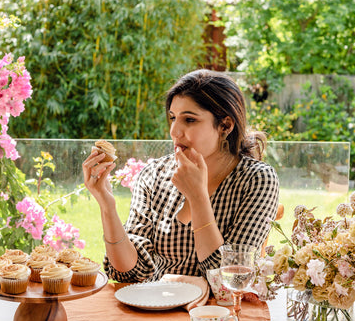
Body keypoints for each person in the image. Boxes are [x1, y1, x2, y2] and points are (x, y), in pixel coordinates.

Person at [82, 69, 279, 282]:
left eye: (190, 120)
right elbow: (131, 272)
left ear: (225, 125)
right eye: (173, 118)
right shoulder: (153, 175)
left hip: (217, 313)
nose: (174, 131)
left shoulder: (257, 180)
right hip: (157, 308)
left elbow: (230, 279)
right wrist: (107, 205)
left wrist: (198, 197)